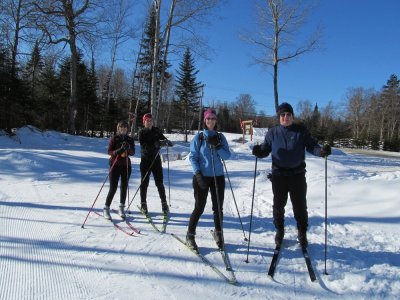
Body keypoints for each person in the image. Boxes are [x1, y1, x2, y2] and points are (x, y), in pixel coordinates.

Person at [252, 102, 331, 249]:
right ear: (279, 117)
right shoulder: (273, 132)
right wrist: (259, 152)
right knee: (278, 206)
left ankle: (302, 232)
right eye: (282, 115)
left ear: (292, 117)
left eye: (288, 115)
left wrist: (321, 152)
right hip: (279, 175)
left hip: (297, 175)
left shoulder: (301, 131)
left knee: (300, 206)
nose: (285, 117)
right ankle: (279, 230)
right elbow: (265, 149)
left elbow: (312, 146)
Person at [186, 108, 231, 251]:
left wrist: (217, 146)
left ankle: (219, 233)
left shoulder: (220, 137)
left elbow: (227, 156)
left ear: (216, 121)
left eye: (213, 118)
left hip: (218, 177)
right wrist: (198, 174)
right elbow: (193, 157)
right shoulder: (198, 138)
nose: (211, 121)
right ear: (204, 121)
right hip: (202, 177)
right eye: (208, 118)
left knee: (218, 208)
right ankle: (190, 235)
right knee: (199, 207)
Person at [138, 113, 173, 215]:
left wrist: (167, 142)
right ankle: (143, 204)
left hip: (156, 160)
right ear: (144, 122)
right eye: (147, 121)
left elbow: (163, 139)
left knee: (159, 183)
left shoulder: (156, 130)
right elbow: (145, 147)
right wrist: (157, 144)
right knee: (144, 183)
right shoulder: (142, 132)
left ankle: (164, 204)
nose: (149, 122)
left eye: (150, 120)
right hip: (145, 160)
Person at [103, 120, 135, 220]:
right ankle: (106, 208)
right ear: (118, 129)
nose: (123, 130)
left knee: (124, 187)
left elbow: (133, 152)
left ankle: (121, 207)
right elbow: (109, 151)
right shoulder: (114, 138)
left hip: (126, 166)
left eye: (125, 128)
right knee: (113, 187)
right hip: (115, 165)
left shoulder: (130, 139)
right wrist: (119, 151)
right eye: (121, 128)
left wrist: (128, 148)